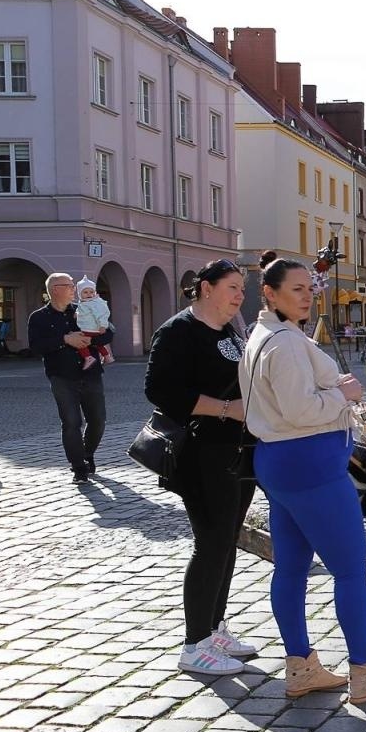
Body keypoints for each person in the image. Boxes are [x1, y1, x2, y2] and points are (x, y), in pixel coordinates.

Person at [241, 251, 366, 705]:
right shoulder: (286, 343)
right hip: (310, 464)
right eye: (297, 289)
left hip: (280, 462)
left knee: (291, 569)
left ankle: (301, 667)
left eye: (309, 289)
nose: (307, 297)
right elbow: (302, 410)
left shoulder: (266, 335)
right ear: (270, 294)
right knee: (350, 570)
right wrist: (344, 393)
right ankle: (365, 673)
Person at [145, 259, 260, 676]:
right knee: (210, 542)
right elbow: (160, 390)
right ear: (205, 288)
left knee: (228, 541)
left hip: (238, 450)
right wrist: (228, 409)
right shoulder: (178, 331)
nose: (239, 295)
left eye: (242, 289)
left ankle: (214, 629)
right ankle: (194, 644)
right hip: (199, 451)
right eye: (232, 287)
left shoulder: (230, 329)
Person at [28, 272, 113, 482]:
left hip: (90, 373)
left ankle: (86, 454)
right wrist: (65, 339)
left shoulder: (84, 307)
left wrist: (89, 339)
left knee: (98, 420)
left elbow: (109, 332)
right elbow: (36, 346)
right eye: (69, 285)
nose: (74, 288)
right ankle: (78, 467)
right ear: (55, 289)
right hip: (61, 375)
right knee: (71, 422)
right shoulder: (38, 317)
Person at [72, 277, 115, 369]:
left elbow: (102, 314)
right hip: (89, 328)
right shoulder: (83, 303)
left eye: (91, 292)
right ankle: (107, 356)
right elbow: (83, 311)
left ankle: (88, 357)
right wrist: (77, 313)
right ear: (80, 294)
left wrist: (103, 325)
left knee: (80, 342)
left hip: (90, 328)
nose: (89, 294)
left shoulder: (95, 303)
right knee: (99, 345)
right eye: (85, 292)